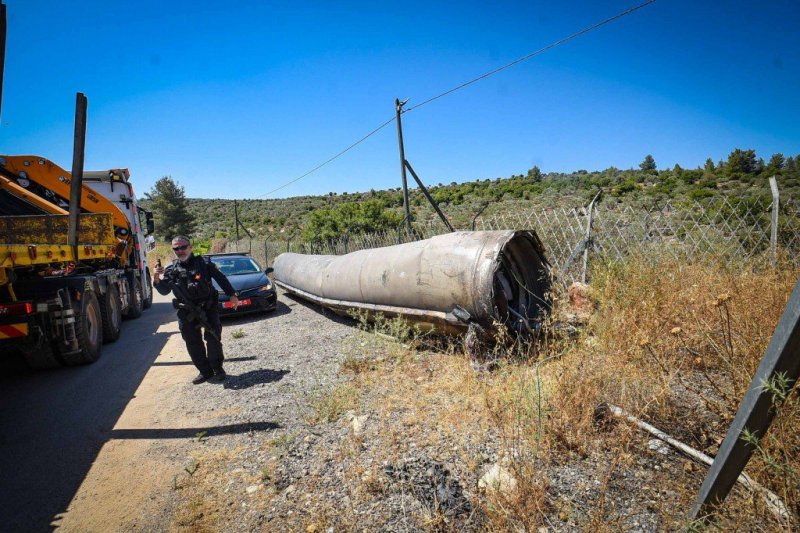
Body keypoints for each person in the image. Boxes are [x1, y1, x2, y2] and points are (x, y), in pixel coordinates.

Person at [153, 235, 240, 384]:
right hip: (186, 311)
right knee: (192, 342)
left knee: (213, 338)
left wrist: (232, 295)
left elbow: (221, 278)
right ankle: (205, 372)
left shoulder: (204, 263)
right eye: (176, 248)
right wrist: (156, 277)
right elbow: (163, 291)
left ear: (190, 247)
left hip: (208, 307)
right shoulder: (171, 269)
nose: (180, 251)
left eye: (183, 247)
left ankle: (218, 369)